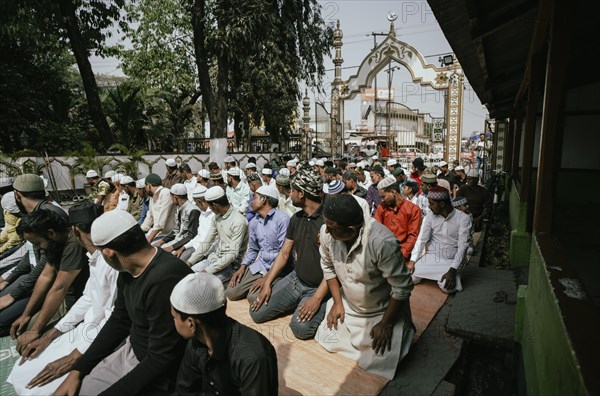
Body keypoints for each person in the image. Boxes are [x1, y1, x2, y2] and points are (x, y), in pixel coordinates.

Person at [53, 210, 192, 395]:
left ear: (109, 253)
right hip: (134, 350)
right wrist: (78, 370)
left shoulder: (165, 279)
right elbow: (120, 320)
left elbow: (163, 357)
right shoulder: (129, 269)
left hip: (161, 369)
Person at [7, 201, 118, 395]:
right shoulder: (94, 256)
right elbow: (88, 298)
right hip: (89, 325)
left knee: (45, 387)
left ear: (76, 232)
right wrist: (50, 335)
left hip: (101, 333)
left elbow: (114, 318)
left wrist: (76, 358)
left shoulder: (111, 260)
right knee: (25, 368)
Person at [315, 194, 415, 380]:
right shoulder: (328, 232)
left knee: (380, 361)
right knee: (327, 342)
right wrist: (337, 303)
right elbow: (328, 267)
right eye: (326, 225)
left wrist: (386, 323)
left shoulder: (381, 242)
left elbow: (402, 288)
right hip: (348, 308)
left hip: (381, 313)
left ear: (351, 230)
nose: (326, 232)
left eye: (332, 228)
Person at [249, 167, 329, 340]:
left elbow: (337, 266)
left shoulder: (328, 221)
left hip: (320, 287)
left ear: (301, 193)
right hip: (297, 280)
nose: (289, 194)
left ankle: (324, 303)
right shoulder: (296, 219)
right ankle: (295, 301)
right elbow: (284, 254)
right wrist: (268, 282)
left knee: (300, 328)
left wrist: (316, 298)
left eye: (292, 190)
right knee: (256, 312)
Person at [171, 273, 278, 395]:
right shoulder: (196, 343)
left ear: (191, 324)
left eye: (174, 317)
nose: (173, 321)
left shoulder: (253, 357)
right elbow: (184, 391)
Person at [11, 209, 89, 354]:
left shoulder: (73, 244)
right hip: (66, 301)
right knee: (25, 331)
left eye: (37, 242)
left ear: (51, 233)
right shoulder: (54, 243)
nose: (36, 247)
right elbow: (46, 276)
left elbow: (60, 287)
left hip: (78, 306)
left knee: (34, 343)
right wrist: (26, 314)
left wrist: (36, 330)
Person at [0, 175, 68, 336]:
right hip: (33, 277)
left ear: (17, 194)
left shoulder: (47, 215)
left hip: (45, 282)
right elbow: (30, 254)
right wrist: (7, 280)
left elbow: (46, 268)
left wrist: (13, 295)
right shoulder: (37, 212)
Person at [226, 185, 290, 301]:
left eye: (254, 198)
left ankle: (271, 283)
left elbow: (284, 252)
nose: (251, 202)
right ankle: (256, 282)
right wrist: (242, 267)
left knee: (253, 298)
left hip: (277, 268)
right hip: (261, 265)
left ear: (264, 199)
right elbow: (253, 249)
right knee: (231, 292)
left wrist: (267, 278)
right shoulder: (254, 222)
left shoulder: (282, 219)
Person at [408, 186, 471, 293]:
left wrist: (452, 270)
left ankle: (456, 275)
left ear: (442, 204)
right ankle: (442, 276)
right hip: (432, 257)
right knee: (410, 278)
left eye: (431, 203)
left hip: (451, 260)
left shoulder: (463, 218)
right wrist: (412, 261)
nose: (429, 207)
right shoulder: (429, 217)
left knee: (447, 287)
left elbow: (463, 246)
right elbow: (421, 240)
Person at [187, 187, 249, 282]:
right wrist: (190, 262)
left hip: (230, 265)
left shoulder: (238, 221)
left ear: (215, 205)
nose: (210, 209)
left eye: (210, 207)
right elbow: (207, 242)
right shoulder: (216, 218)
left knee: (201, 283)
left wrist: (207, 271)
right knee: (187, 275)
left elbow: (232, 254)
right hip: (214, 259)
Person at [375, 178, 422, 262]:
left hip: (403, 256)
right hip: (383, 254)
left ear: (393, 192)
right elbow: (376, 232)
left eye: (383, 196)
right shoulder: (381, 208)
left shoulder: (413, 209)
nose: (382, 200)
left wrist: (401, 256)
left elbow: (412, 236)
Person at [154, 183, 200, 253]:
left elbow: (191, 236)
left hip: (185, 245)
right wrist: (161, 242)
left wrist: (172, 247)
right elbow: (176, 231)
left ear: (175, 197)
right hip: (177, 241)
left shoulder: (193, 210)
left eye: (171, 197)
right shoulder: (179, 208)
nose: (171, 199)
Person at [175, 185, 216, 263]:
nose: (196, 206)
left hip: (206, 251)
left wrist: (194, 258)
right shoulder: (202, 214)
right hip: (196, 247)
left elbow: (211, 242)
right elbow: (199, 236)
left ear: (200, 201)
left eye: (196, 203)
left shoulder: (214, 215)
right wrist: (184, 247)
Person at [140, 173, 176, 242]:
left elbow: (160, 224)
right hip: (154, 234)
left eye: (145, 186)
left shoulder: (166, 193)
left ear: (149, 185)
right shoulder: (152, 197)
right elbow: (150, 217)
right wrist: (139, 232)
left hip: (165, 235)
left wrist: (148, 240)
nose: (145, 189)